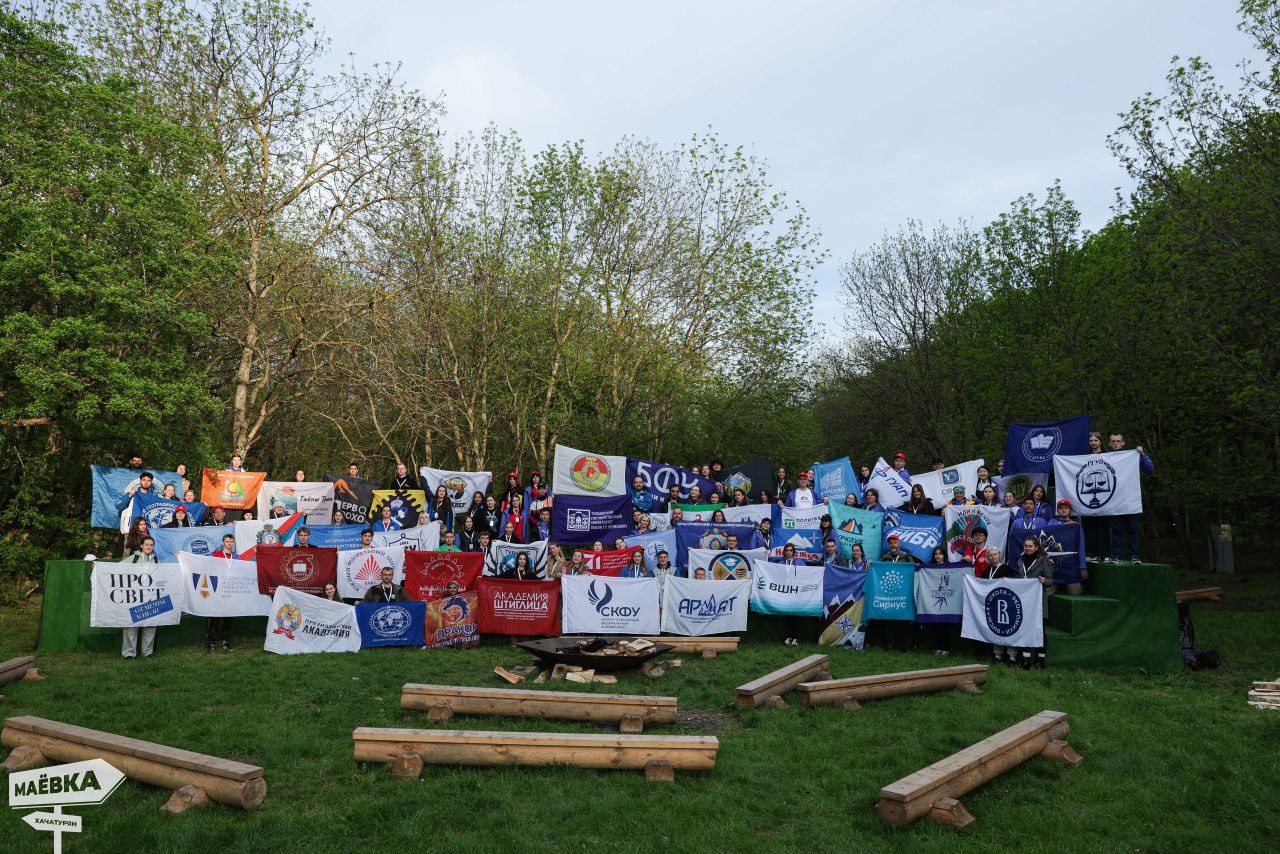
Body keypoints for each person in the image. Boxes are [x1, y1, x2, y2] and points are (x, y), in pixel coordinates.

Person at [995, 539, 1053, 669]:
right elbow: (1021, 579)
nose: (1027, 548)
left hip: (1038, 601)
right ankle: (1026, 659)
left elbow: (1050, 581)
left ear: (1036, 547)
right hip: (1025, 601)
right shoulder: (1020, 560)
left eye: (1030, 546)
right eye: (1026, 546)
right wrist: (1008, 580)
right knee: (1025, 629)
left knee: (1039, 630)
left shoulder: (1043, 560)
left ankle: (1040, 660)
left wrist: (1044, 580)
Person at [1105, 432, 1155, 563]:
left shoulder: (1131, 456)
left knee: (1133, 530)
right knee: (1117, 531)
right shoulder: (1105, 458)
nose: (1116, 443)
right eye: (1113, 441)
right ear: (1109, 443)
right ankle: (1118, 556)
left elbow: (1150, 469)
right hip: (1114, 501)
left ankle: (1135, 556)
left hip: (1130, 500)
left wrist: (1142, 454)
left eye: (1118, 441)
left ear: (1123, 442)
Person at [877, 534, 919, 652]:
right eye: (890, 543)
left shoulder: (906, 557)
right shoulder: (884, 558)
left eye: (895, 542)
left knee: (904, 619)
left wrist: (916, 567)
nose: (893, 545)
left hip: (903, 594)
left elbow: (914, 571)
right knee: (889, 619)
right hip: (888, 594)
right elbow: (878, 572)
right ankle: (890, 645)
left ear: (899, 544)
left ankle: (906, 645)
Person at [122, 537, 159, 659]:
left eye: (151, 545)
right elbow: (116, 569)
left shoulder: (156, 560)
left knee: (150, 625)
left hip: (150, 597)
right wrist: (98, 566)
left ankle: (147, 652)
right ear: (141, 546)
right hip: (134, 597)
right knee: (131, 625)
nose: (149, 547)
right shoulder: (133, 558)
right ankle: (129, 654)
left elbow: (165, 575)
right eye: (146, 544)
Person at [205, 535, 238, 651]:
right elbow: (202, 563)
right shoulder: (214, 555)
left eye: (231, 541)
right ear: (223, 542)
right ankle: (211, 642)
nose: (229, 543)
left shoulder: (237, 557)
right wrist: (183, 557)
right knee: (214, 617)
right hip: (217, 590)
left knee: (229, 618)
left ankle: (226, 642)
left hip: (230, 591)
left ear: (233, 543)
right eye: (227, 541)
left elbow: (245, 568)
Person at [776, 543, 809, 647]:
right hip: (785, 593)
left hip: (797, 593)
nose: (789, 552)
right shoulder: (781, 563)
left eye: (791, 550)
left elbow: (806, 575)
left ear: (794, 552)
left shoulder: (800, 562)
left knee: (796, 616)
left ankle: (796, 638)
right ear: (784, 551)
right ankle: (788, 637)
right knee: (787, 617)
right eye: (787, 550)